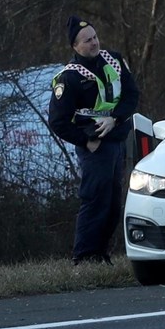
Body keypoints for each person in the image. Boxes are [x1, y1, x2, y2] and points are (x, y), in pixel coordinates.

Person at [48, 15, 140, 266]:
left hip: (116, 139)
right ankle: (84, 255)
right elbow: (57, 122)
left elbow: (131, 95)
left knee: (112, 202)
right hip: (94, 146)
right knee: (94, 198)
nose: (94, 43)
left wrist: (116, 119)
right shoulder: (69, 78)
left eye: (95, 37)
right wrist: (84, 141)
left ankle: (100, 253)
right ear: (75, 46)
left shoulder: (115, 60)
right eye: (87, 40)